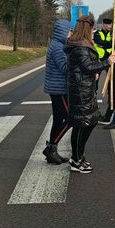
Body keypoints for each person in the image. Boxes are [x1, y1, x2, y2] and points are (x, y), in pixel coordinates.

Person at [64, 16, 114, 173]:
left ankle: (78, 155)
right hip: (80, 91)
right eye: (92, 29)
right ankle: (76, 159)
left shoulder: (82, 45)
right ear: (87, 29)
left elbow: (87, 67)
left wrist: (96, 72)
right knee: (82, 124)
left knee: (90, 121)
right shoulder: (80, 46)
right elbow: (87, 67)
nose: (93, 31)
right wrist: (106, 62)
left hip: (85, 88)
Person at [43, 19, 72, 164]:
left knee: (58, 119)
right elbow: (65, 67)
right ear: (63, 31)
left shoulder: (58, 45)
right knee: (69, 119)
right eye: (69, 31)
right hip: (59, 89)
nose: (70, 34)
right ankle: (51, 147)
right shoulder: (58, 48)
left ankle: (52, 151)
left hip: (57, 88)